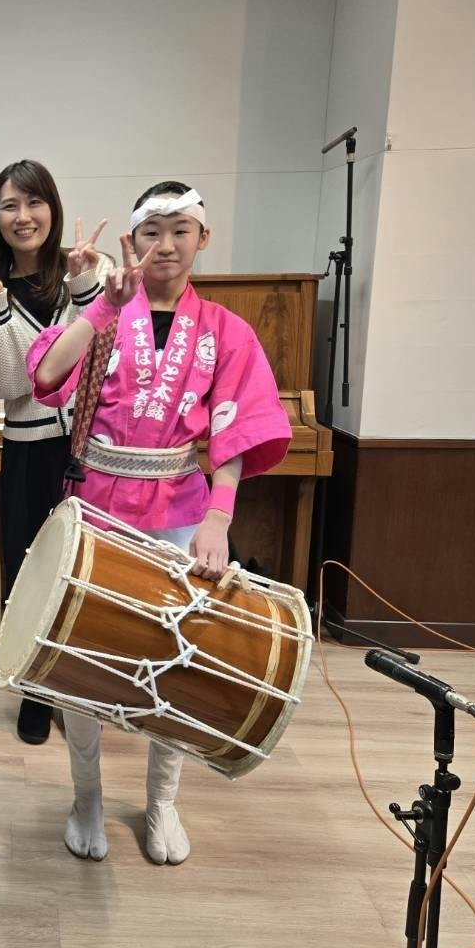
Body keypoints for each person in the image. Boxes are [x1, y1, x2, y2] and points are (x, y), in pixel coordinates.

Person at [27, 183, 290, 863]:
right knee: (79, 654)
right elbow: (47, 374)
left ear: (203, 238)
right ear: (133, 241)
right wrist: (101, 306)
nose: (165, 245)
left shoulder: (227, 330)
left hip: (179, 504)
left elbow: (233, 430)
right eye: (152, 231)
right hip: (96, 502)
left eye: (180, 231)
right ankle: (86, 796)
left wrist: (219, 517)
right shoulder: (106, 311)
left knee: (179, 655)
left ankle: (162, 801)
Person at [0, 159, 114, 745]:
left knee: (89, 568)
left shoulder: (90, 272)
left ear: (53, 208)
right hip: (28, 453)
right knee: (29, 568)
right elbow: (10, 382)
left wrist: (86, 289)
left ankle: (80, 686)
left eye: (34, 202)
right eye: (9, 206)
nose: (23, 217)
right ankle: (35, 689)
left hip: (92, 449)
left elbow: (106, 349)